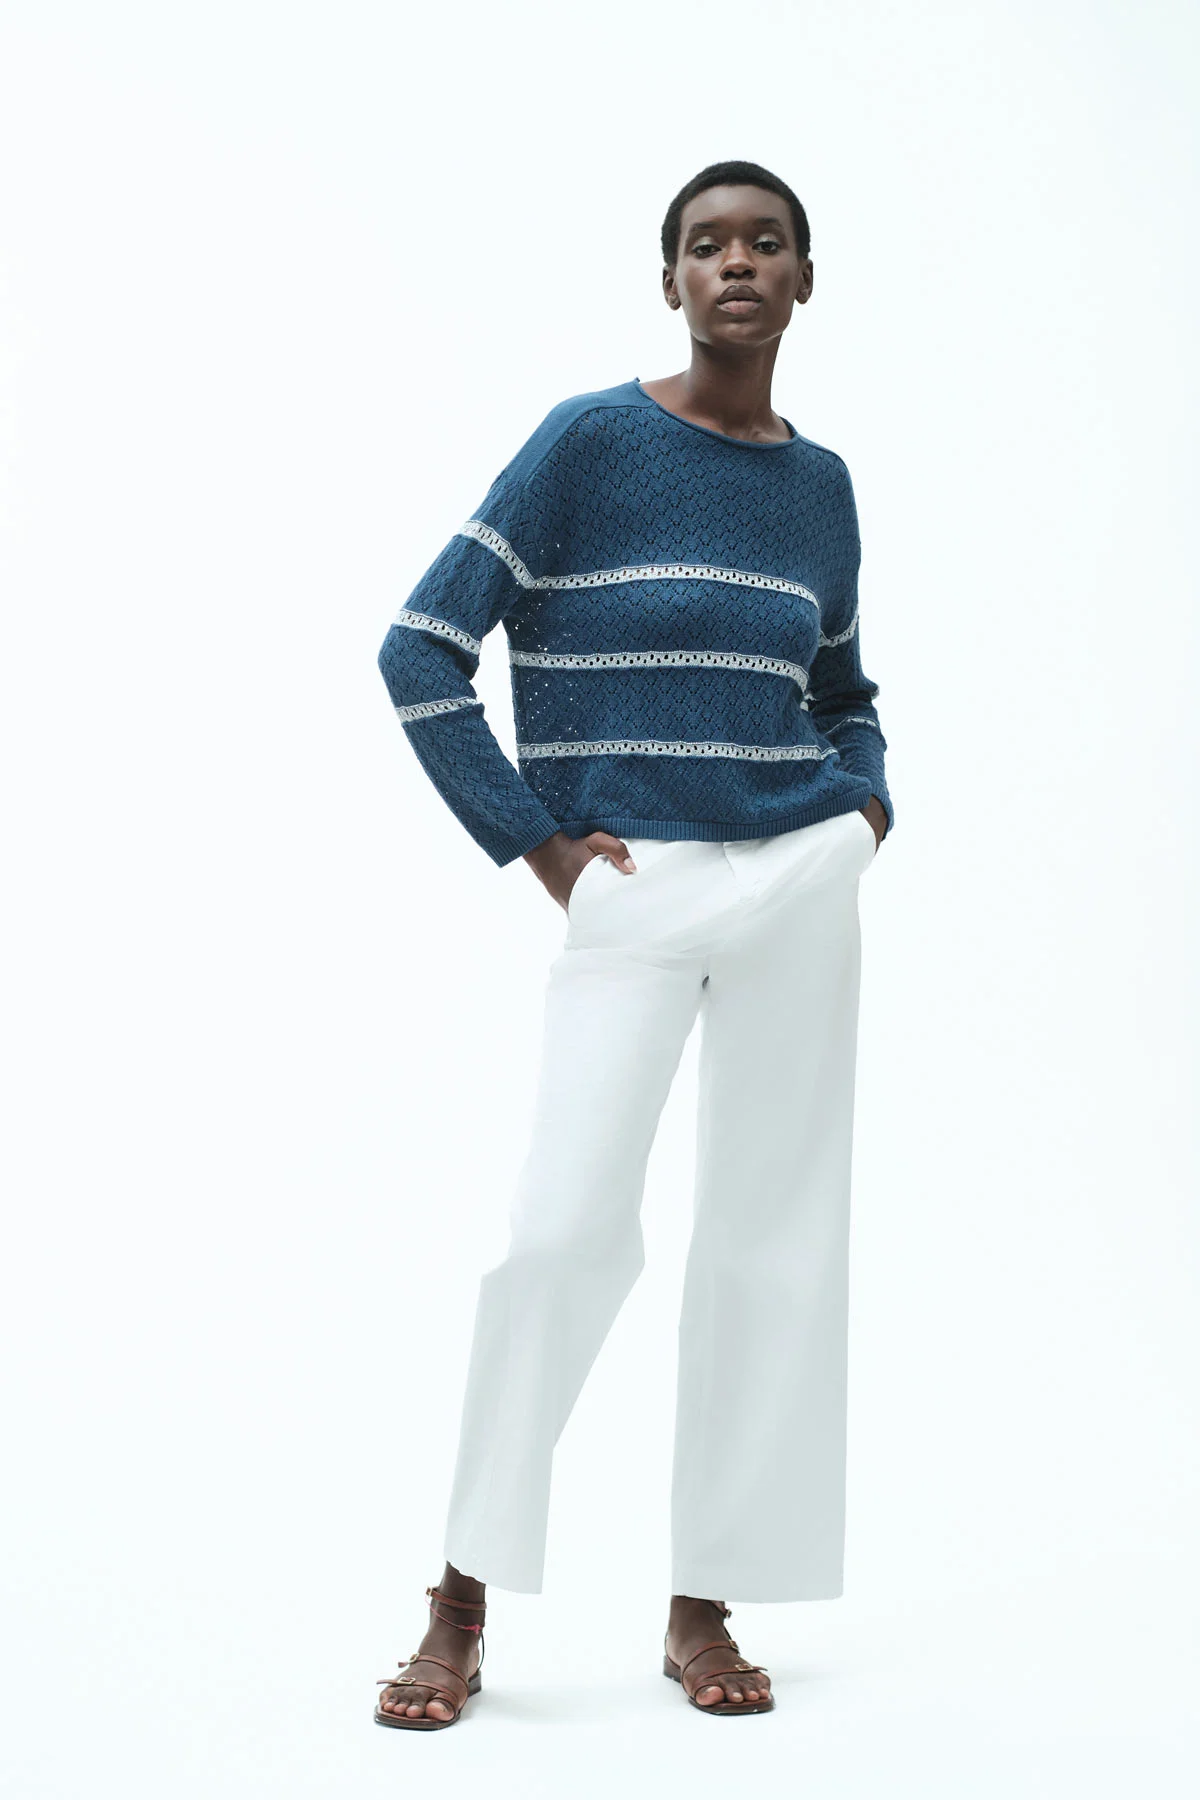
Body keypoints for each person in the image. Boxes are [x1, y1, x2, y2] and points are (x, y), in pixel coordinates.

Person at [372, 158, 894, 1729]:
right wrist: (540, 845)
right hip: (633, 881)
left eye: (766, 243)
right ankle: (461, 1598)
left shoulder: (823, 487)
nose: (736, 264)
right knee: (562, 1232)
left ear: (804, 280)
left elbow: (843, 688)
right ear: (669, 280)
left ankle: (705, 1603)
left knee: (774, 1240)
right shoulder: (590, 443)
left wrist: (864, 806)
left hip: (796, 874)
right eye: (706, 245)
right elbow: (420, 649)